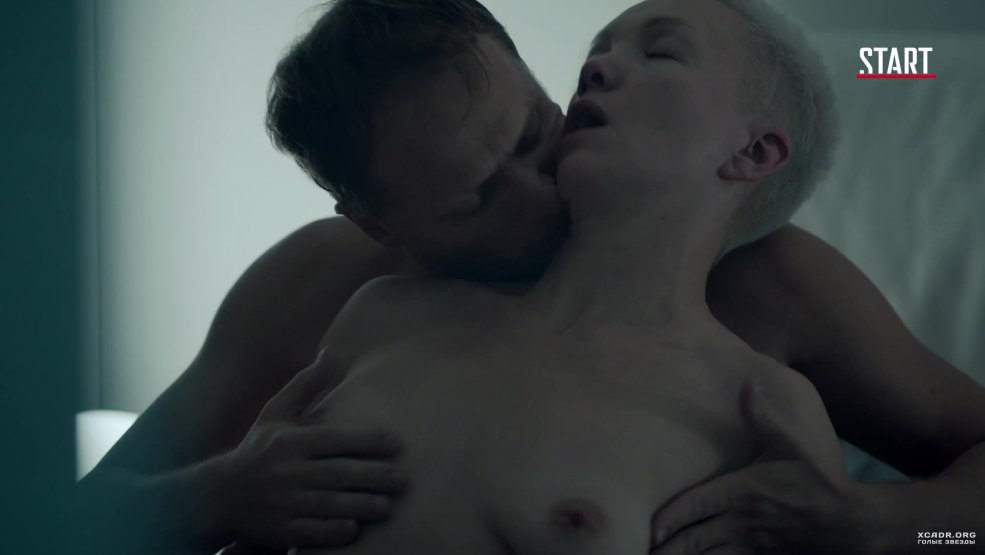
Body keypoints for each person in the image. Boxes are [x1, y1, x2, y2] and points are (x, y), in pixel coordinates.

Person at [77, 0, 985, 553]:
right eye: (475, 199)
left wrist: (881, 525)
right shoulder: (342, 286)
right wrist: (217, 494)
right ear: (382, 224)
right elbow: (63, 520)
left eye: (534, 133)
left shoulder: (764, 284)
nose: (539, 193)